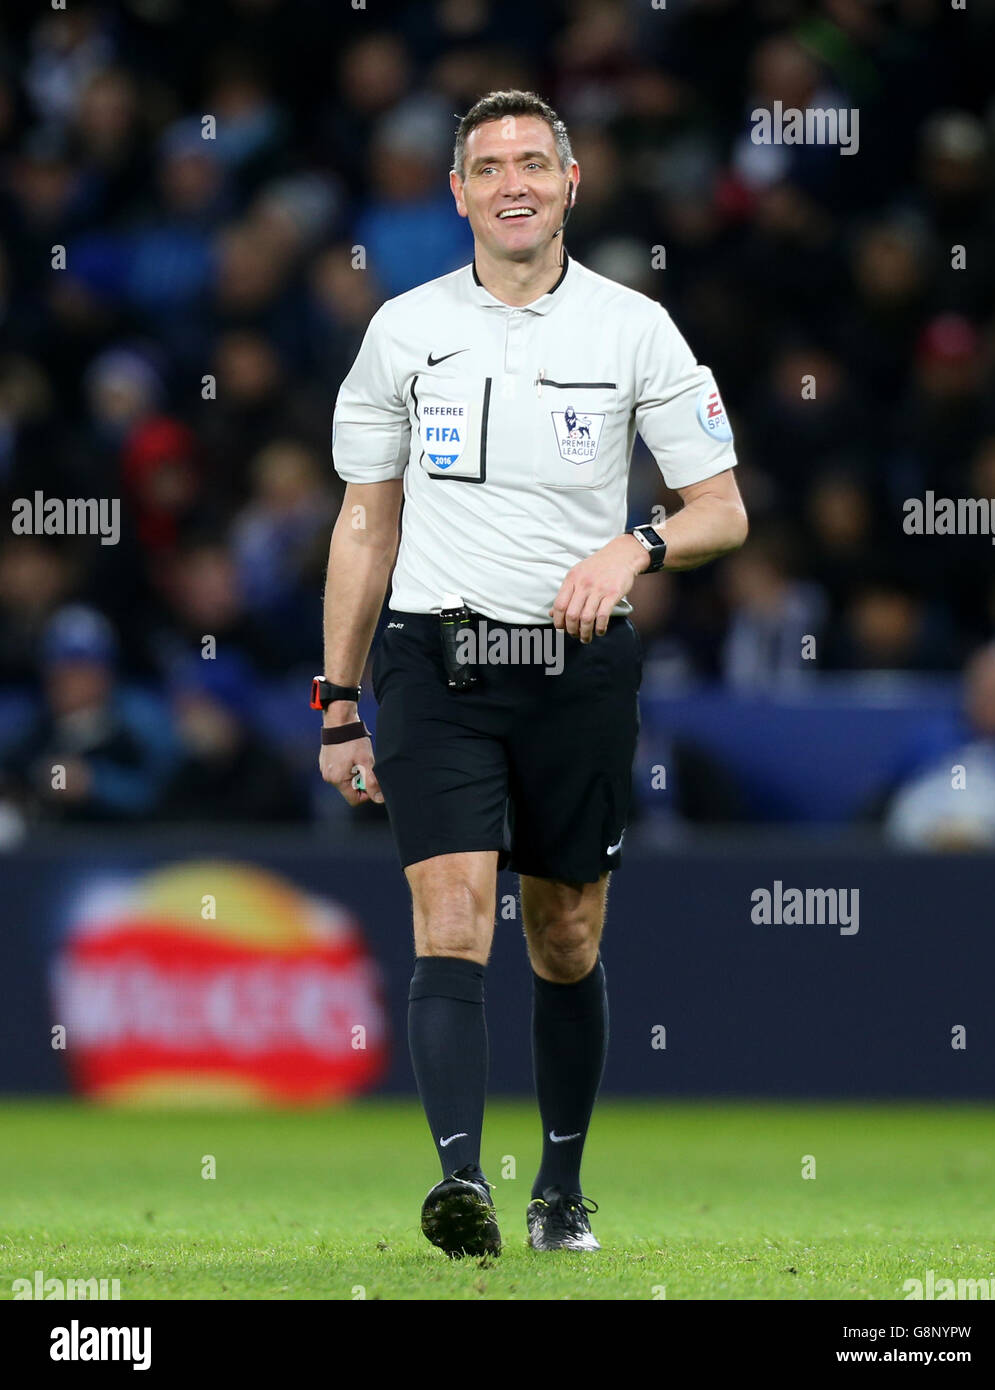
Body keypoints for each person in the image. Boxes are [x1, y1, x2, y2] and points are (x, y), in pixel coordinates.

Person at [319, 90, 747, 1258]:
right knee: (450, 914)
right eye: (487, 165)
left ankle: (559, 1189)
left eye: (532, 163)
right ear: (454, 191)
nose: (512, 182)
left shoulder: (633, 329)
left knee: (564, 935)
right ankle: (462, 1186)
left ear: (571, 181)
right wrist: (338, 700)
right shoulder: (403, 330)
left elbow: (722, 508)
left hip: (574, 670)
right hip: (435, 660)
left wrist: (636, 543)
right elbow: (365, 524)